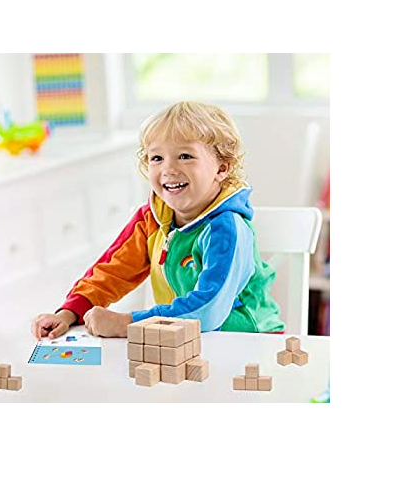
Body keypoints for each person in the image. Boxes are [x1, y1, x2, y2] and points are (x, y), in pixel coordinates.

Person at [31, 101, 284, 340]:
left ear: (222, 168)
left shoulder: (227, 228)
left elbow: (208, 311)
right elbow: (111, 271)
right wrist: (69, 312)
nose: (168, 169)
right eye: (157, 158)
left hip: (248, 341)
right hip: (184, 339)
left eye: (185, 156)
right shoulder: (151, 219)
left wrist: (126, 324)